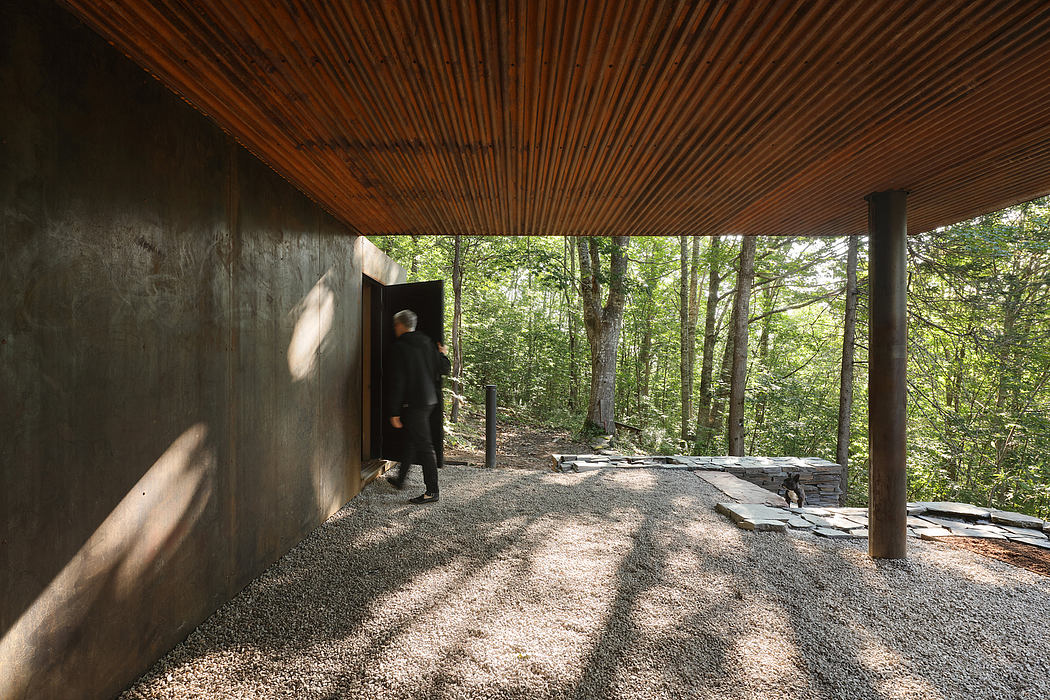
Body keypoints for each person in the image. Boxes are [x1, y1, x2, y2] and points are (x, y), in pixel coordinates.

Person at [386, 309, 450, 503]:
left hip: (415, 403)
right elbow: (444, 368)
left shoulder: (400, 347)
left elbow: (398, 382)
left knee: (424, 446)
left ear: (399, 325)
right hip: (429, 401)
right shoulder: (427, 342)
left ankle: (432, 492)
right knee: (412, 439)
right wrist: (443, 354)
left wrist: (394, 412)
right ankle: (400, 479)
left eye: (395, 325)